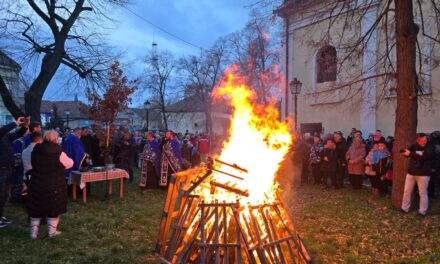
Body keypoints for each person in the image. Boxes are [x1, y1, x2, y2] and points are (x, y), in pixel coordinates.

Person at [26, 130, 73, 238]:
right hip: (54, 184)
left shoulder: (36, 149)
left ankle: (33, 234)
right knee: (53, 209)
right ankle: (52, 233)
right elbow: (69, 163)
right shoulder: (59, 151)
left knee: (36, 208)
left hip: (36, 182)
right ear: (56, 139)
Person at [0, 116, 28, 228]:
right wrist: (15, 123)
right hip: (1, 169)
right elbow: (3, 130)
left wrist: (25, 126)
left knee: (5, 194)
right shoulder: (1, 133)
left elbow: (17, 134)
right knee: (0, 194)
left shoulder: (4, 137)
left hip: (8, 168)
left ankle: (1, 216)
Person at [401, 133, 434, 216]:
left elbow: (424, 157)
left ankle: (422, 211)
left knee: (422, 193)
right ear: (417, 140)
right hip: (411, 173)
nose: (424, 142)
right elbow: (406, 153)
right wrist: (404, 152)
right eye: (422, 140)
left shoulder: (430, 147)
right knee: (407, 191)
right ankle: (404, 208)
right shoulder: (414, 146)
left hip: (423, 174)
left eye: (425, 140)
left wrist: (411, 154)